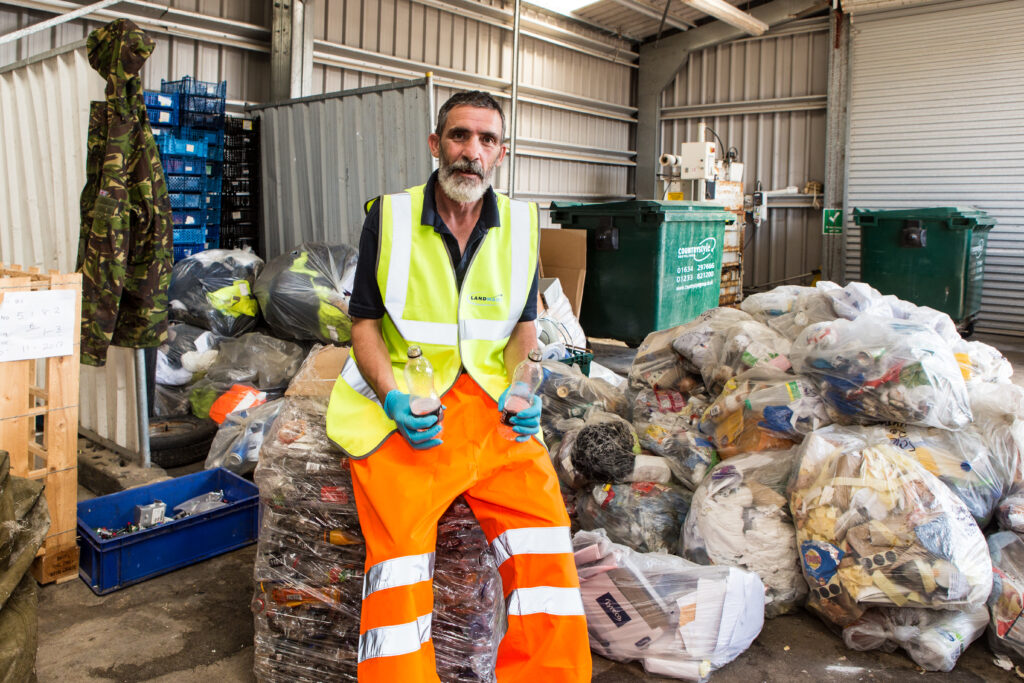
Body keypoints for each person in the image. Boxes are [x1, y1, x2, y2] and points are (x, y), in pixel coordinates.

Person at [327, 91, 591, 682]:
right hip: (410, 411)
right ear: (435, 144)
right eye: (459, 136)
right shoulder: (390, 217)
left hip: (495, 413)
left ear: (501, 153)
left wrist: (526, 388)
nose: (471, 152)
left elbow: (524, 330)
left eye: (486, 140)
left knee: (546, 548)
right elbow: (363, 326)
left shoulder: (521, 225)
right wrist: (392, 398)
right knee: (397, 565)